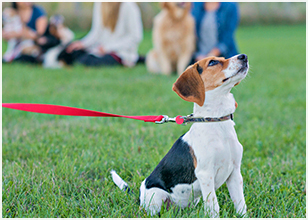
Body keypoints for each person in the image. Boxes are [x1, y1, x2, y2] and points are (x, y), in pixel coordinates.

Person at [58, 2, 143, 67]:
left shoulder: (129, 5)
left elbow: (135, 37)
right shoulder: (99, 3)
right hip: (99, 47)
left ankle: (136, 59)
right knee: (70, 51)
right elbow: (96, 32)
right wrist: (83, 44)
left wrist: (107, 48)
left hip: (120, 52)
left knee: (89, 61)